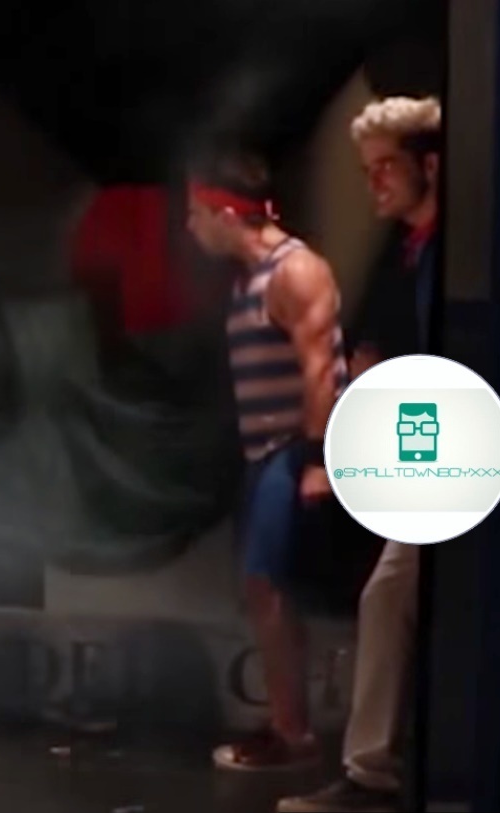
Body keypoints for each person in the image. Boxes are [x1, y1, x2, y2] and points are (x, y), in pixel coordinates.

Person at [279, 96, 441, 812]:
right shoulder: (408, 252)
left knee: (391, 593)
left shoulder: (442, 250)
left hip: (450, 453)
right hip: (429, 451)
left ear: (429, 165)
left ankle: (376, 771)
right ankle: (383, 767)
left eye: (385, 167)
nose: (374, 183)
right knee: (394, 593)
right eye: (367, 170)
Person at [183, 151, 349, 771]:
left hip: (292, 449)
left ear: (227, 215)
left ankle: (293, 735)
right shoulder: (248, 277)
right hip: (264, 452)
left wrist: (317, 462)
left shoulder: (295, 271)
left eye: (197, 214)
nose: (190, 227)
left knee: (268, 586)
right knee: (263, 589)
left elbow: (319, 371)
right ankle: (288, 724)